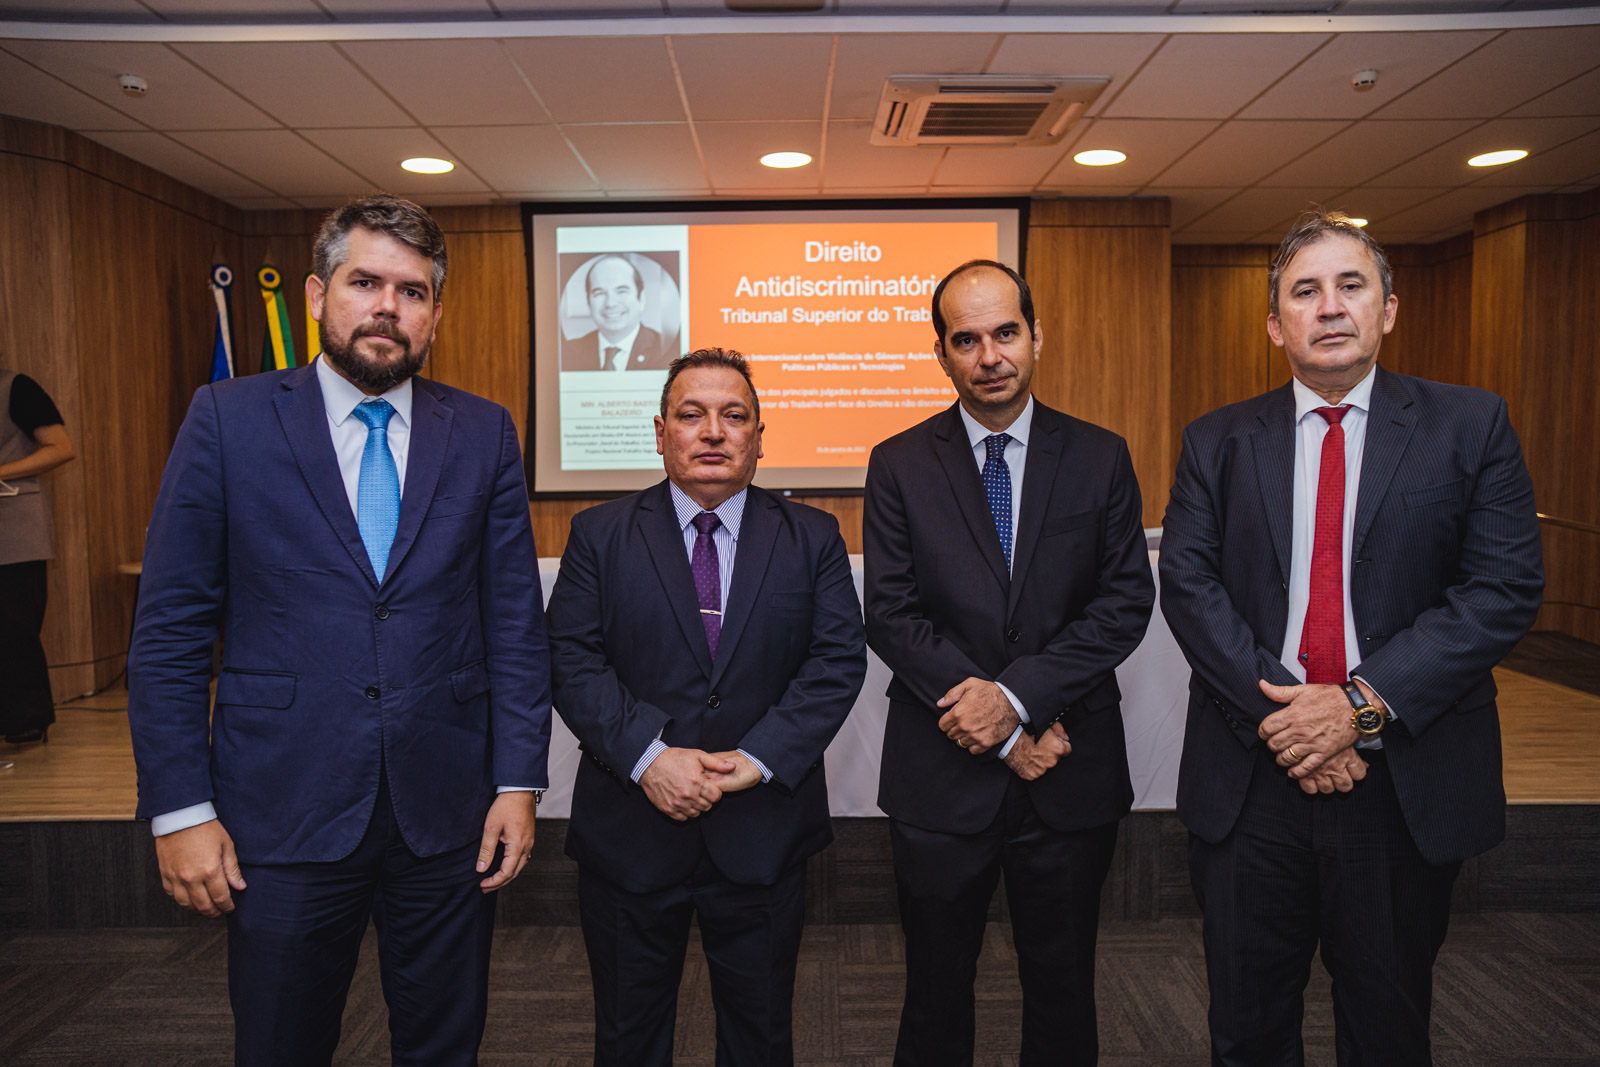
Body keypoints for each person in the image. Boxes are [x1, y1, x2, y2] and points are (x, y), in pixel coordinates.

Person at [127, 194, 552, 1067]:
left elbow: (512, 621)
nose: (388, 307)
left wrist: (519, 780)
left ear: (435, 313)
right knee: (281, 1043)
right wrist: (180, 807)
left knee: (445, 1046)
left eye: (412, 290)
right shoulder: (227, 419)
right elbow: (170, 632)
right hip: (281, 809)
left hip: (448, 813)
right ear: (318, 295)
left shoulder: (483, 432)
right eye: (366, 283)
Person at [1160, 211, 1544, 1065]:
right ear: (1276, 325)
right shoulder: (1215, 440)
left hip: (1399, 780)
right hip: (1252, 777)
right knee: (1246, 1031)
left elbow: (1502, 587)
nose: (1329, 306)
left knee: (1386, 1030)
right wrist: (1292, 720)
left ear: (1388, 309)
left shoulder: (1470, 425)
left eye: (1350, 285)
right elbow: (1188, 586)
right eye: (1305, 291)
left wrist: (1359, 706)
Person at [863, 260, 1155, 1066]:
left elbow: (1123, 603)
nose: (989, 356)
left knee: (1063, 992)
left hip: (1069, 769)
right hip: (940, 777)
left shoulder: (1100, 456)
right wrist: (997, 730)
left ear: (1036, 336)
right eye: (966, 340)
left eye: (1005, 333)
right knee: (934, 992)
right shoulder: (898, 463)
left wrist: (1016, 700)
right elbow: (891, 612)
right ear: (941, 353)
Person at [545, 347, 866, 1065]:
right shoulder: (599, 534)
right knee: (627, 1039)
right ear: (661, 434)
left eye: (734, 416)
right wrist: (649, 758)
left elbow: (836, 662)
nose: (713, 431)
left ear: (759, 436)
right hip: (631, 832)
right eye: (692, 415)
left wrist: (756, 759)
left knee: (760, 1039)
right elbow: (571, 657)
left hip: (762, 831)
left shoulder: (813, 536)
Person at [0, 369, 76, 745]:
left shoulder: (16, 388)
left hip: (13, 530)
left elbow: (61, 447)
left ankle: (25, 720)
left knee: (13, 627)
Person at [569, 254, 675, 371]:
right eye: (599, 293)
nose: (610, 303)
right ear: (588, 302)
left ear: (641, 298)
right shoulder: (569, 349)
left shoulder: (662, 347)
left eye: (621, 291)